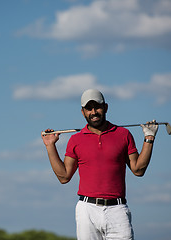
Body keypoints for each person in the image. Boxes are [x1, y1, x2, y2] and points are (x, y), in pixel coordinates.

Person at [41, 89, 158, 240]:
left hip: (117, 209)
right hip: (87, 210)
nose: (93, 112)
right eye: (89, 108)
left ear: (106, 108)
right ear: (83, 112)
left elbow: (138, 169)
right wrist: (50, 146)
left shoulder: (123, 134)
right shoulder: (76, 140)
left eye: (97, 107)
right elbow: (64, 177)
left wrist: (149, 138)